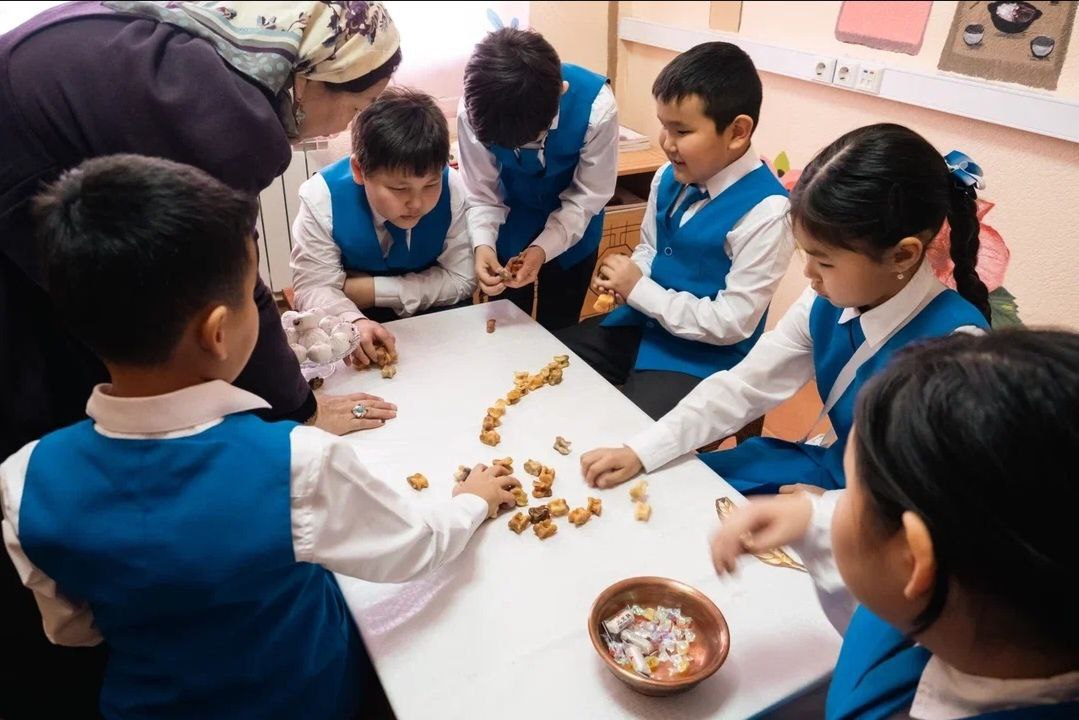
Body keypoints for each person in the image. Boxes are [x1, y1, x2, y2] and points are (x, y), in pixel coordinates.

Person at [1, 155, 521, 720]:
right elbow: (413, 548)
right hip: (306, 696)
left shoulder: (23, 477)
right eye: (258, 295)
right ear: (218, 332)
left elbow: (74, 630)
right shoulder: (295, 461)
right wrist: (473, 499)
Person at [0, 3, 402, 715]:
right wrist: (299, 409)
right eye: (357, 103)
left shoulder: (212, 55)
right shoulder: (234, 120)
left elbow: (73, 628)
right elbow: (231, 275)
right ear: (308, 79)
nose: (344, 128)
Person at [581, 124, 991, 494]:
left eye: (825, 261)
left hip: (881, 508)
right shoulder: (826, 301)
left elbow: (932, 509)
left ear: (903, 256)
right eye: (805, 254)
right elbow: (745, 386)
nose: (809, 274)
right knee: (671, 483)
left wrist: (826, 516)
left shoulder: (957, 351)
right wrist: (641, 450)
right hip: (825, 471)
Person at [711, 329, 1079, 719]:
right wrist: (808, 518)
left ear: (912, 559)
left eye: (848, 493)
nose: (832, 505)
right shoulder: (983, 598)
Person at [558, 42, 793, 420]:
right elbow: (651, 248)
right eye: (664, 126)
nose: (667, 143)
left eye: (681, 130)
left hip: (702, 359)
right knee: (548, 362)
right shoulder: (668, 177)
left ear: (737, 132)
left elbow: (731, 322)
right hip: (641, 327)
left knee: (623, 436)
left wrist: (640, 289)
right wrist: (627, 280)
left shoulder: (769, 212)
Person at [291, 87, 475, 367]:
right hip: (357, 321)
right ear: (358, 170)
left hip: (440, 321)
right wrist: (353, 318)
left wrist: (371, 290)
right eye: (399, 188)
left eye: (430, 184)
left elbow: (462, 280)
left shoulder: (453, 187)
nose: (416, 203)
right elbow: (313, 287)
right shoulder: (321, 198)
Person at [457, 27, 618, 330]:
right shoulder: (475, 107)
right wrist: (483, 247)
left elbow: (587, 198)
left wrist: (541, 249)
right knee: (504, 330)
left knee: (560, 331)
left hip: (574, 230)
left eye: (532, 139)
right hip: (506, 227)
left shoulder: (597, 108)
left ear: (561, 92)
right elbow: (482, 193)